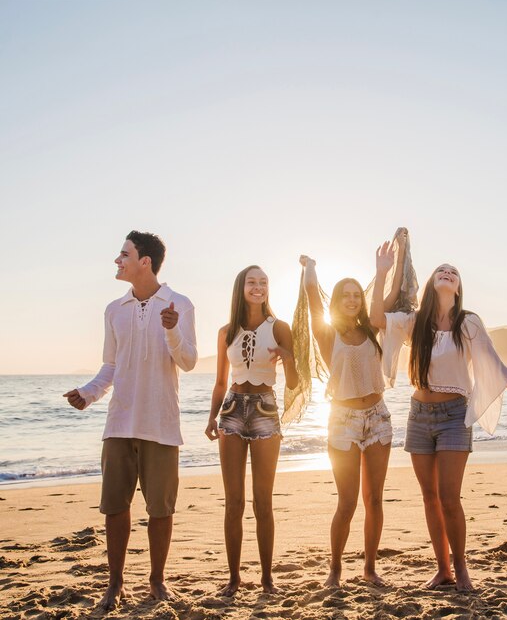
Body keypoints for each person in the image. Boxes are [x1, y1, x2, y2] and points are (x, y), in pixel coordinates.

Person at [370, 241, 507, 591]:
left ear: (458, 288)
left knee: (449, 497)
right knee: (429, 497)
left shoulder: (468, 323)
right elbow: (376, 319)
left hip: (454, 415)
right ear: (431, 284)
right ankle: (442, 569)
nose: (448, 273)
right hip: (419, 415)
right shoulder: (415, 323)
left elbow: (497, 368)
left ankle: (462, 569)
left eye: (454, 273)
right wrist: (382, 272)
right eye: (442, 270)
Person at [63, 231, 197, 610]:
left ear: (145, 262)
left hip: (161, 424)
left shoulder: (180, 304)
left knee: (161, 509)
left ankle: (157, 581)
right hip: (119, 424)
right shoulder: (114, 310)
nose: (117, 261)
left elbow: (187, 361)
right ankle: (115, 583)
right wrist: (88, 394)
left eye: (124, 254)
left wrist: (171, 330)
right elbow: (111, 366)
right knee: (115, 507)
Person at [298, 252, 405, 588]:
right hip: (342, 419)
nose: (352, 299)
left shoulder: (375, 328)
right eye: (345, 294)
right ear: (338, 301)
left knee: (374, 499)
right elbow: (314, 299)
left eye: (356, 295)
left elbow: (387, 296)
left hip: (377, 418)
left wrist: (383, 269)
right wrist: (311, 269)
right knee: (346, 502)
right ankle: (334, 570)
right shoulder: (328, 335)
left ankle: (370, 569)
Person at [205, 265, 298, 596]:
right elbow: (220, 381)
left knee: (263, 502)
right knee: (234, 502)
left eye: (263, 282)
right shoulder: (226, 331)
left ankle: (267, 578)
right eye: (252, 282)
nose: (258, 287)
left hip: (264, 410)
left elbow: (297, 383)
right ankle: (233, 578)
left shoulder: (280, 327)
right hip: (231, 411)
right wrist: (211, 417)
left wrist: (287, 356)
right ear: (241, 288)